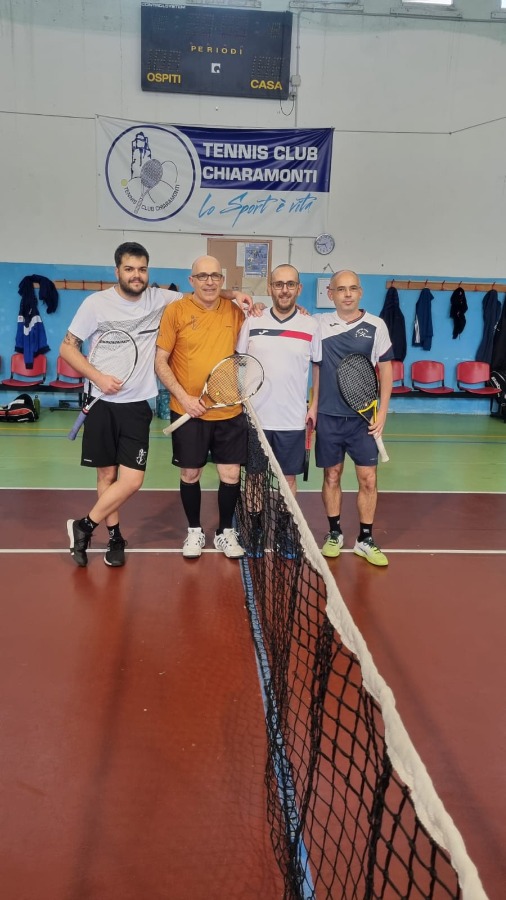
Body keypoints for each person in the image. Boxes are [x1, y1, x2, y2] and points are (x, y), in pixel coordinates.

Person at [61, 242, 250, 568]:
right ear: (117, 271)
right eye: (129, 269)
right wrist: (98, 377)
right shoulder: (95, 304)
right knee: (107, 475)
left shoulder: (160, 298)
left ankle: (84, 525)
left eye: (142, 269)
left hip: (137, 404)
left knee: (132, 480)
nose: (136, 275)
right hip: (101, 400)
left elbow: (205, 291)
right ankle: (114, 537)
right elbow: (67, 349)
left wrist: (236, 295)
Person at [155, 255, 249, 560]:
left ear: (222, 280)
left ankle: (225, 531)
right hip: (188, 411)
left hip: (228, 410)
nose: (209, 281)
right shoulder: (176, 311)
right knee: (190, 473)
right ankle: (194, 530)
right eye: (202, 276)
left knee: (230, 474)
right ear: (191, 280)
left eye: (215, 276)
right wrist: (184, 398)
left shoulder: (235, 312)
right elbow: (160, 361)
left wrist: (255, 304)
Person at [309, 269, 393, 567]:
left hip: (363, 419)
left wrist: (382, 412)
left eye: (352, 288)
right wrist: (313, 405)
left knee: (368, 479)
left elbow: (386, 370)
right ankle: (334, 533)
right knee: (331, 475)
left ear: (360, 292)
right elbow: (316, 366)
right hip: (329, 416)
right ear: (330, 294)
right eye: (341, 289)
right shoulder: (318, 323)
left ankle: (365, 539)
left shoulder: (376, 325)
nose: (347, 294)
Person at [236, 264, 321, 556]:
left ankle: (285, 531)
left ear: (298, 288)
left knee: (288, 480)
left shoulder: (311, 326)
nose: (284, 290)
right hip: (256, 418)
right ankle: (256, 530)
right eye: (278, 284)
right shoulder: (252, 320)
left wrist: (314, 405)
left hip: (292, 419)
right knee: (255, 478)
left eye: (290, 284)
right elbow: (240, 361)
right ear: (270, 288)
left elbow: (317, 367)